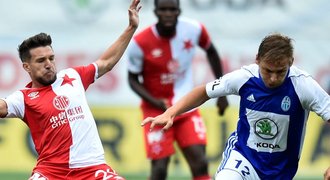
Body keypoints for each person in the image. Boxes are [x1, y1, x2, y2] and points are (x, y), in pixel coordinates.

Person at [142, 33, 330, 180]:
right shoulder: (244, 78)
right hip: (243, 158)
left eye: (280, 72)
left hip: (280, 171)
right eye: (268, 70)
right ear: (257, 60)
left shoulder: (303, 86)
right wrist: (171, 113)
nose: (273, 78)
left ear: (291, 62)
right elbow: (204, 92)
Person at [0, 0, 141, 179]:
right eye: (41, 61)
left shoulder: (73, 76)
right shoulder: (24, 98)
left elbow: (106, 62)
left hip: (92, 168)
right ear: (27, 67)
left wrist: (131, 27)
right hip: (51, 171)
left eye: (51, 58)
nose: (49, 64)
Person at [126, 0, 229, 179]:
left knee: (200, 162)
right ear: (156, 11)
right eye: (163, 9)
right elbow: (132, 79)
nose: (168, 14)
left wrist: (222, 94)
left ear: (179, 10)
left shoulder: (194, 29)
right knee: (159, 169)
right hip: (155, 112)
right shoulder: (140, 43)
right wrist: (155, 101)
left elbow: (211, 52)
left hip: (185, 107)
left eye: (172, 9)